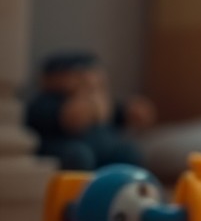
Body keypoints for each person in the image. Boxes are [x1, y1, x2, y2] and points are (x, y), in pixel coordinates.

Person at [25, 51, 154, 170]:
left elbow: (118, 113)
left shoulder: (102, 100)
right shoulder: (47, 101)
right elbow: (72, 120)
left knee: (128, 152)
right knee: (78, 155)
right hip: (68, 148)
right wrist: (86, 97)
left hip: (102, 149)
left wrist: (133, 112)